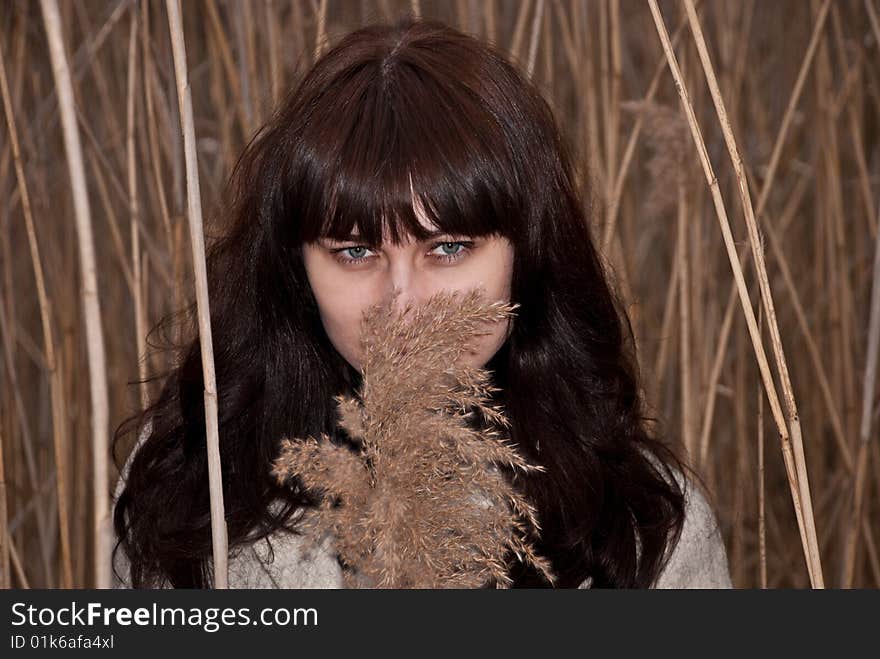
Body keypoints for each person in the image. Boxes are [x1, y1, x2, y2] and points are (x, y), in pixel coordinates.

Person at [112, 16, 731, 589]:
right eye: (354, 252)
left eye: (450, 247)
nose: (402, 306)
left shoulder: (645, 526)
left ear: (528, 253)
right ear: (295, 267)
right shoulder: (193, 491)